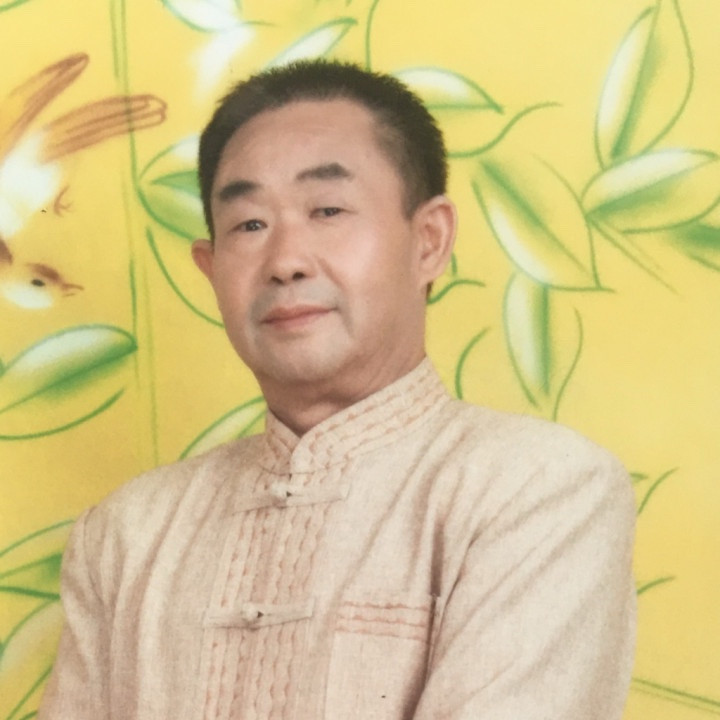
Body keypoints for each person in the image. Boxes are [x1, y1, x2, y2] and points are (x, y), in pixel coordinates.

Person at [39, 60, 636, 719]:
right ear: (210, 269)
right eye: (249, 224)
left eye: (327, 210)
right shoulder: (125, 535)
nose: (285, 261)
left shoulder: (537, 489)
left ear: (429, 241)